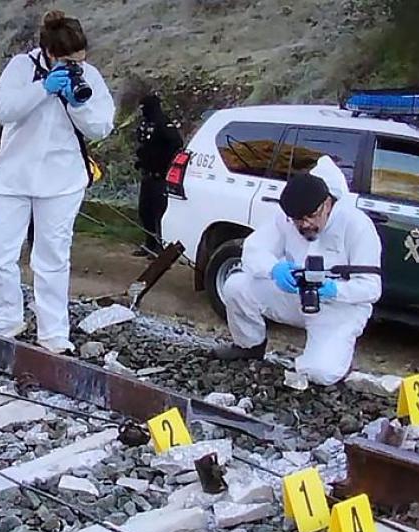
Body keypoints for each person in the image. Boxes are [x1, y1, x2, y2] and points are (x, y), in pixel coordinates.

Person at [0, 10, 115, 354]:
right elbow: (4, 110)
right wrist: (44, 88)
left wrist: (75, 102)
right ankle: (7, 319)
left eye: (80, 60)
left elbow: (100, 127)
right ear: (50, 54)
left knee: (52, 258)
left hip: (62, 180)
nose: (76, 67)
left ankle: (54, 333)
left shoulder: (90, 76)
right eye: (68, 61)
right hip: (13, 176)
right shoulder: (21, 68)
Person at [213, 156, 383, 385]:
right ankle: (249, 346)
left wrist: (333, 289)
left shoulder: (357, 225)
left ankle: (335, 356)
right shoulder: (287, 219)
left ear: (327, 204)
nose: (304, 225)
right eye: (297, 220)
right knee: (235, 286)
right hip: (295, 296)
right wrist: (274, 269)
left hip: (339, 308)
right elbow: (253, 250)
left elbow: (371, 289)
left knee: (319, 373)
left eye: (310, 217)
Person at [133, 94, 183, 257]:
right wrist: (142, 160)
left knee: (159, 212)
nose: (142, 111)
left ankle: (160, 246)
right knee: (145, 211)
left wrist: (163, 162)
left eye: (144, 108)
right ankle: (149, 244)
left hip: (160, 175)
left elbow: (176, 144)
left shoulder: (163, 123)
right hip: (147, 174)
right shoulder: (145, 123)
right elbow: (144, 145)